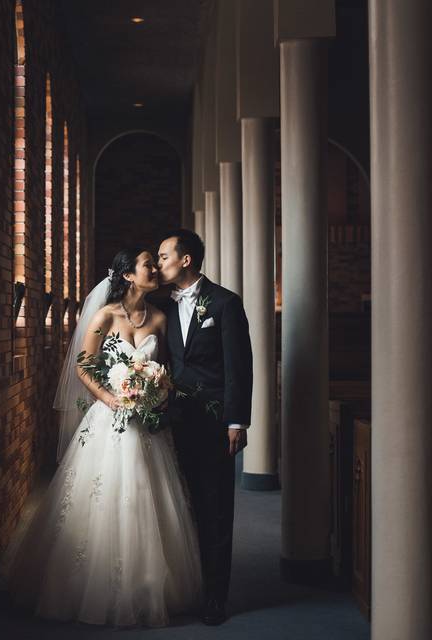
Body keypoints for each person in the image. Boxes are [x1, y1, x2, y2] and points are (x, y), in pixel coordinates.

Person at [1, 247, 202, 627]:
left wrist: (156, 391)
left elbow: (169, 370)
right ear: (128, 275)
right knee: (104, 494)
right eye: (148, 265)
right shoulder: (105, 315)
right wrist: (111, 396)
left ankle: (145, 586)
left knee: (149, 497)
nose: (155, 270)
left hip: (146, 421)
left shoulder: (160, 317)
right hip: (109, 416)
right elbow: (83, 364)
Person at [156, 229, 253, 625]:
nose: (159, 262)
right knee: (182, 506)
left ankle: (216, 596)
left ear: (186, 260)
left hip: (214, 423)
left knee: (215, 508)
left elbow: (238, 367)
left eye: (164, 256)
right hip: (172, 420)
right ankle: (188, 587)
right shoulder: (159, 304)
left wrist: (236, 420)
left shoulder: (226, 303)